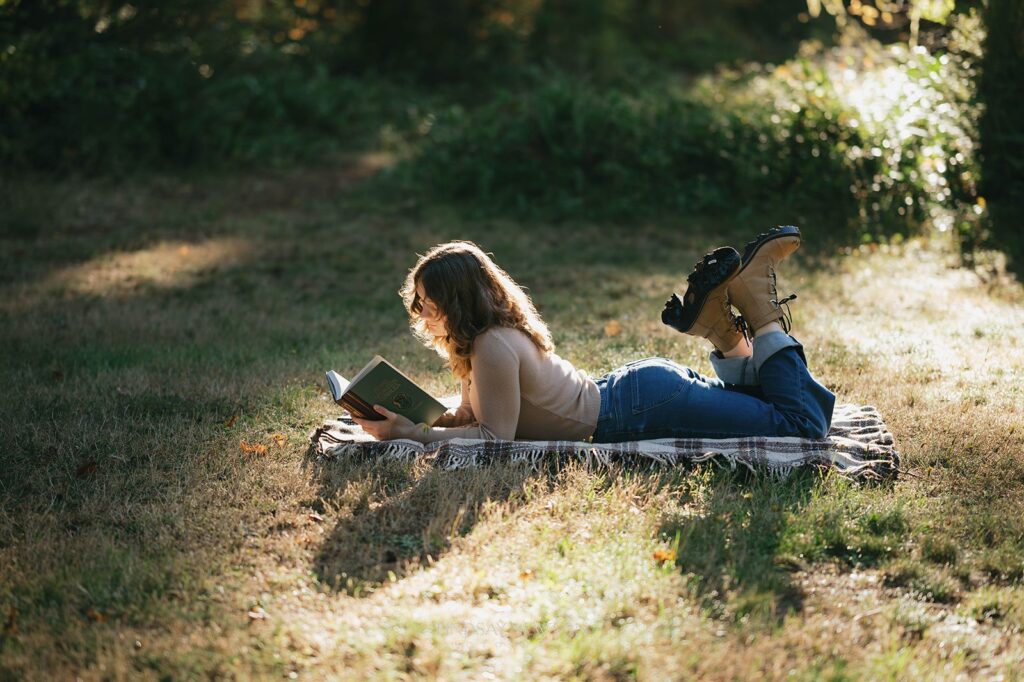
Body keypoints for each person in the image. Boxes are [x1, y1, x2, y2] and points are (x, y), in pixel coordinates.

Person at [351, 229, 835, 444]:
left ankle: (761, 313)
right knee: (757, 404)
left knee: (799, 425)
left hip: (637, 410)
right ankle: (722, 331)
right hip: (637, 393)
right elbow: (474, 417)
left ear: (456, 304)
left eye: (427, 304)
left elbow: (494, 439)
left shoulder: (492, 345)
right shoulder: (479, 341)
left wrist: (414, 436)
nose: (419, 314)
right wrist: (414, 417)